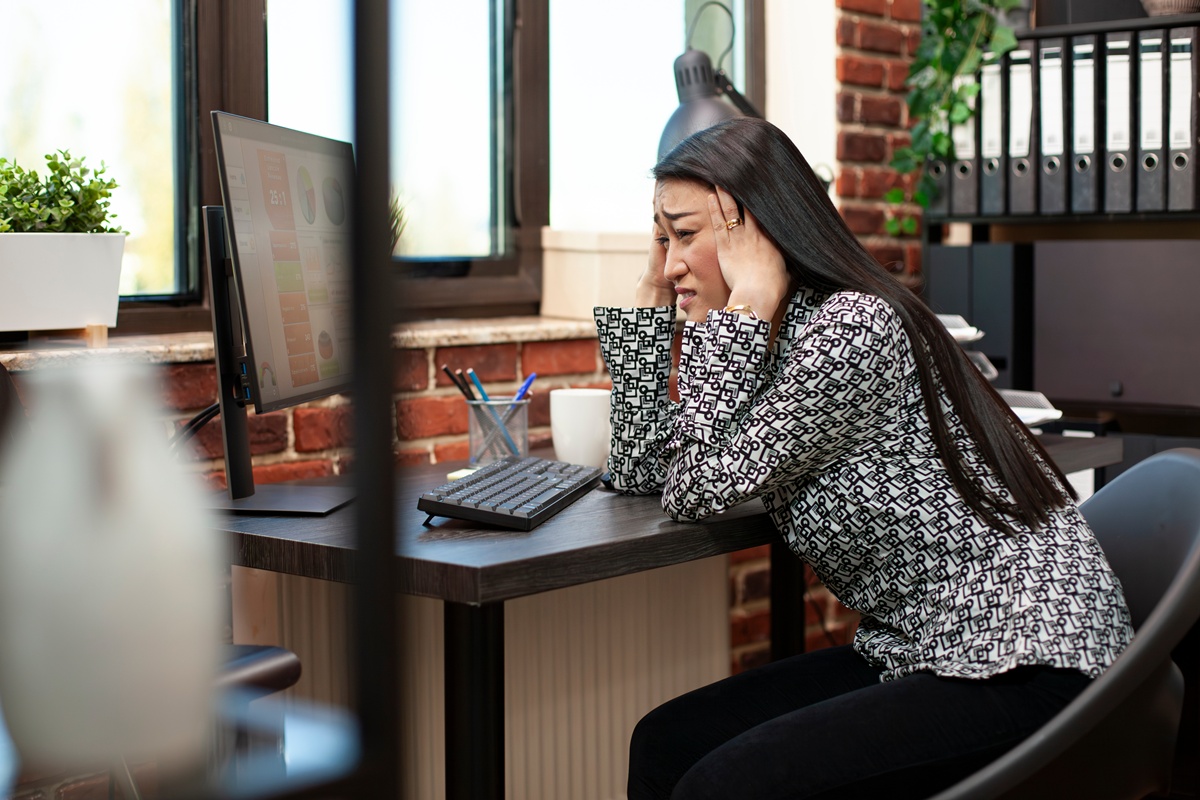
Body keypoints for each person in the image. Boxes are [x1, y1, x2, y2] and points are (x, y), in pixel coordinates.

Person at [593, 117, 1133, 800]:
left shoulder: (851, 327)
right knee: (664, 742)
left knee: (722, 787)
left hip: (1020, 654)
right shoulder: (771, 337)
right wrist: (650, 297)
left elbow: (694, 487)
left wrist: (748, 302)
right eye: (660, 239)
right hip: (918, 645)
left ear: (755, 230)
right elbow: (641, 468)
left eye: (684, 235)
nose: (670, 262)